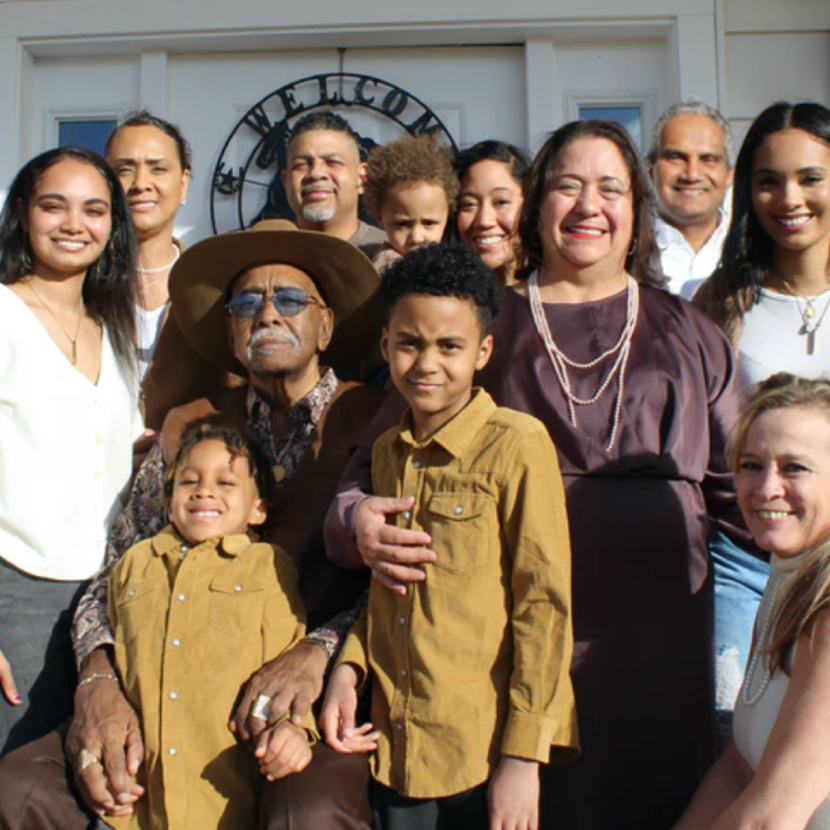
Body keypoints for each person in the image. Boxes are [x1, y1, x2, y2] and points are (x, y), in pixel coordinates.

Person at [325, 120, 749, 830]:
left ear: (637, 211)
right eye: (566, 186)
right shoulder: (480, 325)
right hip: (494, 665)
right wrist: (357, 522)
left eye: (610, 188)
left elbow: (749, 499)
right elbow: (368, 472)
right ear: (534, 206)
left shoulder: (690, 333)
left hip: (657, 653)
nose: (589, 205)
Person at [0, 219, 386, 829]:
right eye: (245, 303)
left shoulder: (372, 417)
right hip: (164, 679)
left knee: (309, 813)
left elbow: (395, 576)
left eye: (289, 299)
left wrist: (319, 650)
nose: (267, 315)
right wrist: (98, 681)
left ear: (326, 325)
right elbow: (115, 570)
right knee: (23, 785)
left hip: (313, 698)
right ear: (229, 333)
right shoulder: (189, 424)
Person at [321, 243, 578, 830]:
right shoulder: (386, 453)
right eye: (409, 343)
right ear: (386, 346)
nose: (426, 363)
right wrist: (348, 669)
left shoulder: (516, 444)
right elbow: (387, 592)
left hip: (482, 749)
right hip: (397, 746)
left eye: (450, 346)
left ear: (483, 351)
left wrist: (523, 757)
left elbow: (543, 605)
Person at [19, 422, 316, 828]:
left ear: (257, 509)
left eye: (225, 482)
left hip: (223, 801)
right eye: (188, 481)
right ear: (169, 499)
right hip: (134, 805)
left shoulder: (269, 568)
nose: (203, 491)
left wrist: (294, 732)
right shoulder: (132, 566)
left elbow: (286, 659)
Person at [694, 100, 830, 745]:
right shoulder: (722, 301)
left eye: (810, 177)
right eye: (769, 179)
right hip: (749, 561)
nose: (789, 197)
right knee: (737, 734)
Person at [0, 146, 142, 755]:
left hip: (104, 594)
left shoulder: (113, 327)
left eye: (94, 209)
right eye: (53, 206)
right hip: (17, 588)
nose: (73, 224)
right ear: (23, 216)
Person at [675, 373, 830, 830]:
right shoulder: (788, 578)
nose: (765, 489)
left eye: (794, 468)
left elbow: (770, 819)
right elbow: (741, 767)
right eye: (751, 465)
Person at [105, 110, 191, 378]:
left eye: (158, 169)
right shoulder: (81, 282)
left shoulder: (211, 286)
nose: (141, 184)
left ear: (183, 183)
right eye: (124, 170)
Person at [647, 100, 735, 299]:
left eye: (708, 159)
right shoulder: (624, 252)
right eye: (676, 157)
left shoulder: (752, 249)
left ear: (729, 174)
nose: (692, 174)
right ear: (651, 170)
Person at [282, 111, 387, 259]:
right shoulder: (265, 258)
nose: (316, 174)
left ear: (362, 178)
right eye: (301, 165)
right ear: (285, 181)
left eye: (333, 163)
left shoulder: (391, 255)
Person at [363, 133, 457, 272]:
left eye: (429, 223)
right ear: (380, 219)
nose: (417, 237)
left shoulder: (446, 260)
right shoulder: (388, 268)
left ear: (447, 217)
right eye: (403, 224)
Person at [453, 140, 529, 286]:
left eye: (501, 202)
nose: (484, 221)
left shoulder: (556, 295)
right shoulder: (440, 300)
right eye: (469, 204)